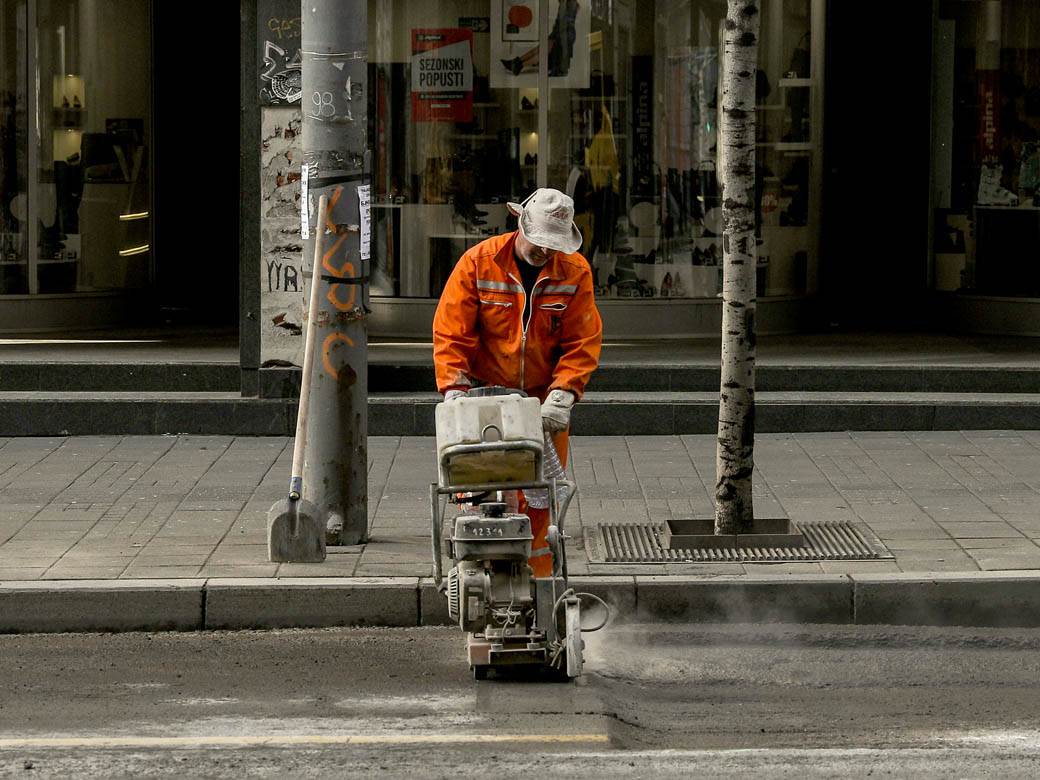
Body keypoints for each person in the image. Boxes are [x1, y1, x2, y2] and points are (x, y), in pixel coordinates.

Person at [433, 187, 603, 578]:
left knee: (539, 500)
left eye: (553, 245)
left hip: (541, 401)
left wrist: (564, 393)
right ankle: (480, 576)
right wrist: (455, 390)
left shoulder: (574, 272)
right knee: (476, 491)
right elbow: (452, 332)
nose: (545, 251)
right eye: (540, 242)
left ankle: (538, 588)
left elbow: (582, 340)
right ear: (521, 223)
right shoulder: (479, 263)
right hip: (481, 395)